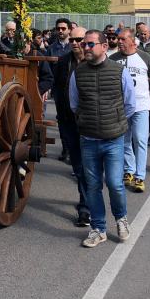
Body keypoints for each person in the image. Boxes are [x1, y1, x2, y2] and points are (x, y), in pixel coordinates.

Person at [69, 30, 136, 248]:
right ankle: (98, 228)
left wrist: (114, 122)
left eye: (90, 44)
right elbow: (74, 104)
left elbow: (130, 104)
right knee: (93, 185)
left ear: (104, 47)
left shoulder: (119, 71)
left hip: (113, 138)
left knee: (115, 184)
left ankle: (121, 219)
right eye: (84, 44)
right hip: (88, 139)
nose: (85, 48)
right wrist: (87, 120)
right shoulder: (78, 73)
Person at [112, 30, 150, 193]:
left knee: (140, 139)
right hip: (121, 107)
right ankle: (129, 171)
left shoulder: (145, 57)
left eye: (122, 39)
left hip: (141, 106)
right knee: (124, 140)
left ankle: (140, 176)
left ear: (132, 41)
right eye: (118, 39)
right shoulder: (113, 59)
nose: (119, 42)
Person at [52, 27, 90, 225]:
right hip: (68, 120)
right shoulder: (64, 61)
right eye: (73, 40)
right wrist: (61, 111)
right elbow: (57, 88)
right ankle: (86, 202)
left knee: (88, 166)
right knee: (78, 165)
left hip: (91, 123)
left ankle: (85, 207)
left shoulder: (95, 61)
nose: (75, 43)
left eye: (79, 39)